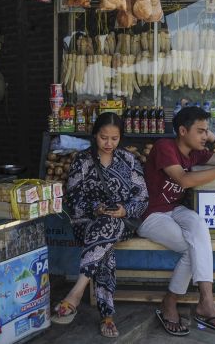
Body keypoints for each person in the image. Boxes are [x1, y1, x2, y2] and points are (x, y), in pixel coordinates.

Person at [139, 106, 215, 336]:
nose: (205, 136)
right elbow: (184, 180)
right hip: (151, 215)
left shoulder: (196, 152)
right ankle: (171, 302)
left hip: (175, 210)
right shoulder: (165, 147)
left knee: (199, 226)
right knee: (191, 248)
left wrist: (213, 137)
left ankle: (206, 301)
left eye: (207, 131)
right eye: (201, 131)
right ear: (183, 131)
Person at [51, 112, 149, 338]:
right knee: (105, 241)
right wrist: (96, 208)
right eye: (104, 137)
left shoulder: (128, 160)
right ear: (95, 135)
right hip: (86, 221)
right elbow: (73, 198)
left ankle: (77, 291)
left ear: (120, 138)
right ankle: (107, 316)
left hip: (123, 221)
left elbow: (142, 198)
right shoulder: (82, 161)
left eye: (114, 138)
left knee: (109, 224)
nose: (109, 143)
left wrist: (125, 210)